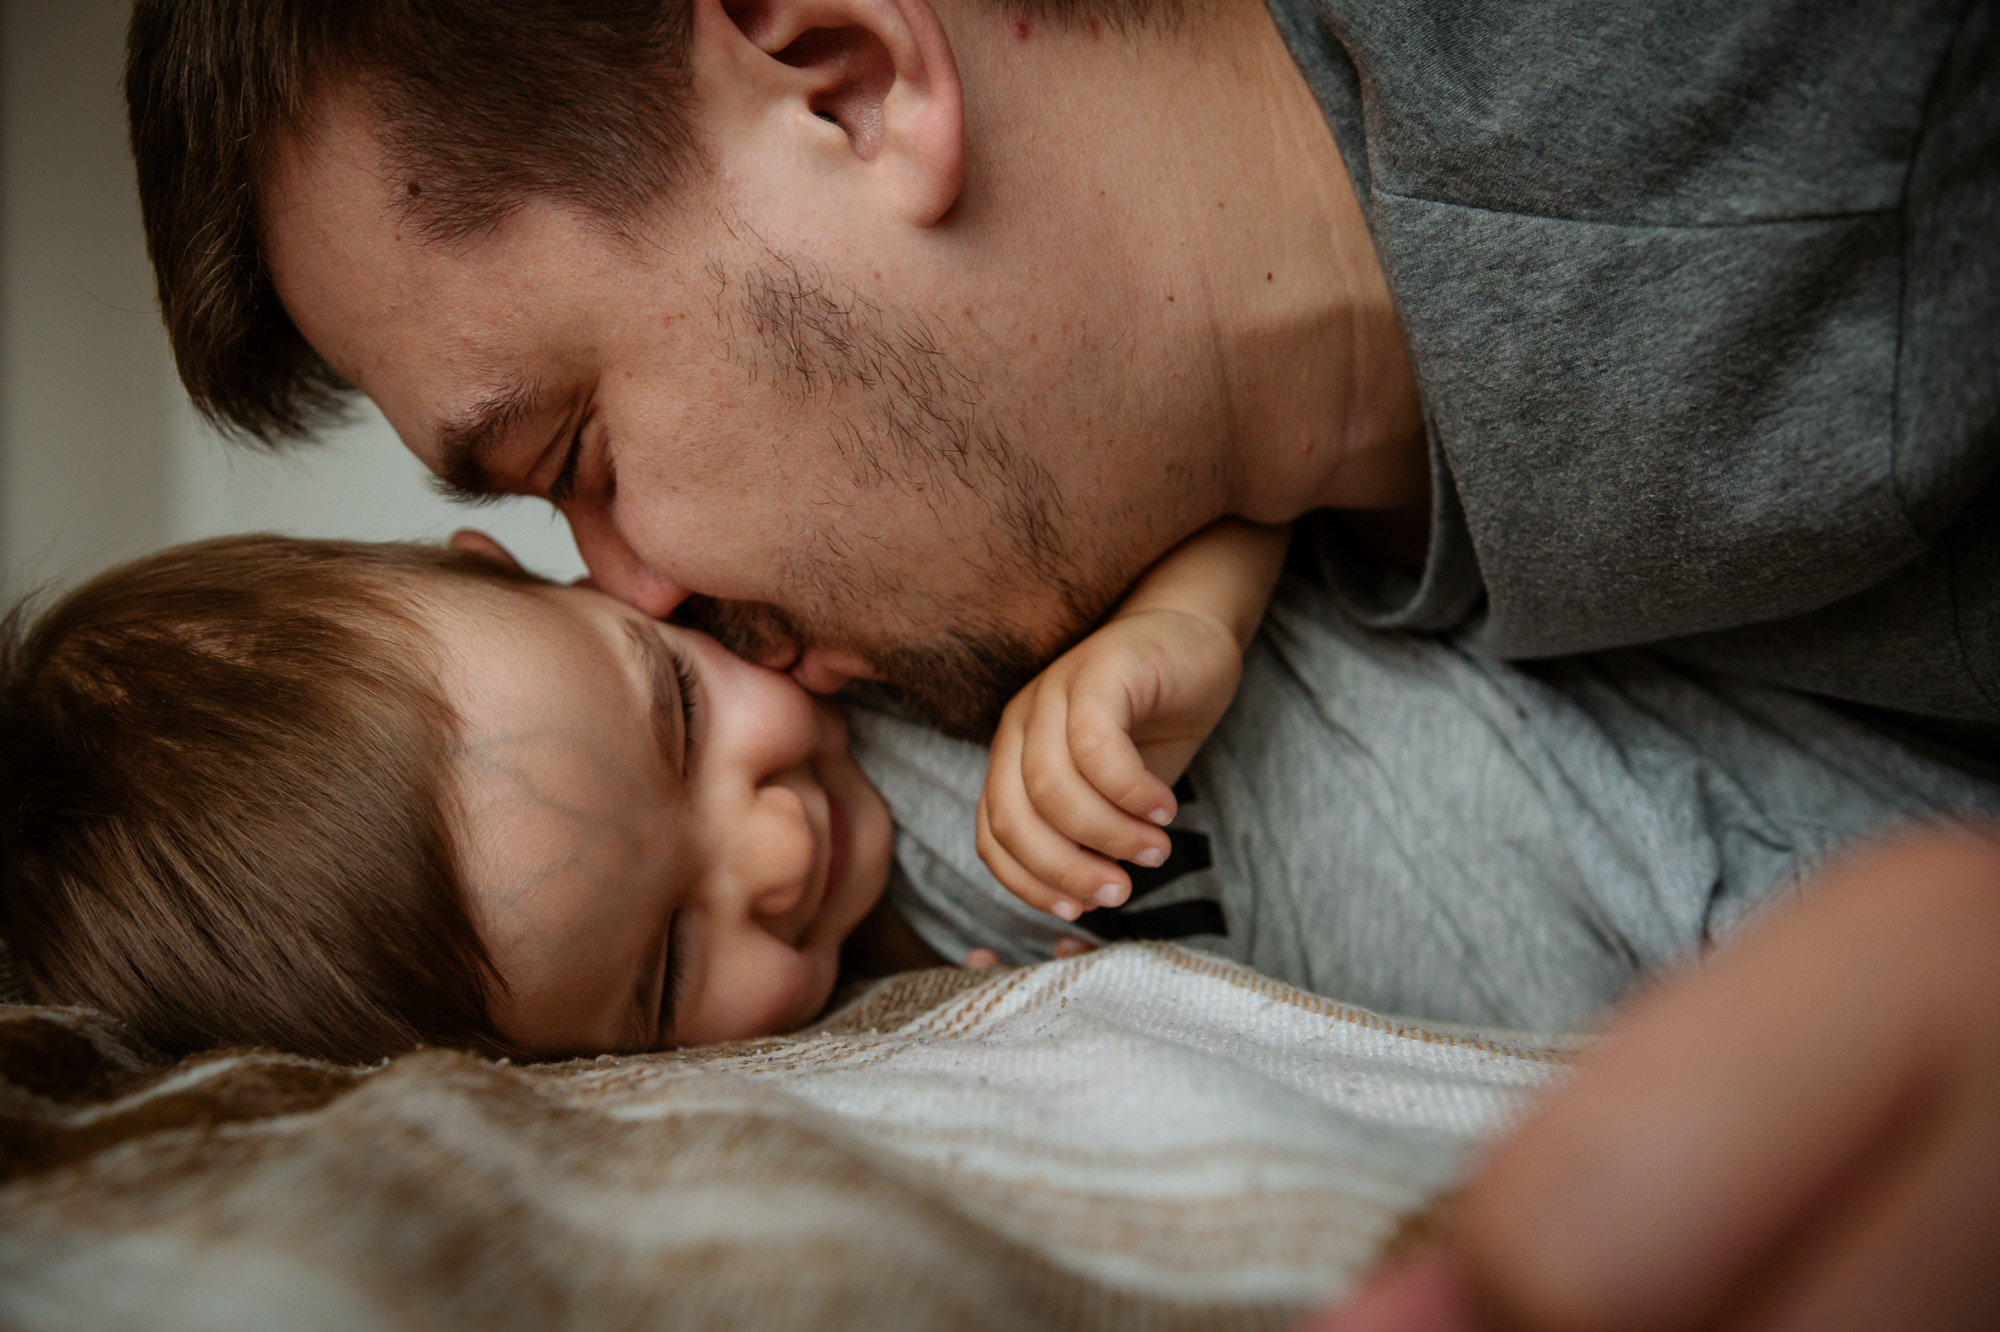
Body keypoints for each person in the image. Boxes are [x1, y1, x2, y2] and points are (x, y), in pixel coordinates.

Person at [119, 0, 1998, 1325]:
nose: (644, 600)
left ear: (839, 78)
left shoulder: (1876, 194)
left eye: (578, 464)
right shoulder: (1131, 559)